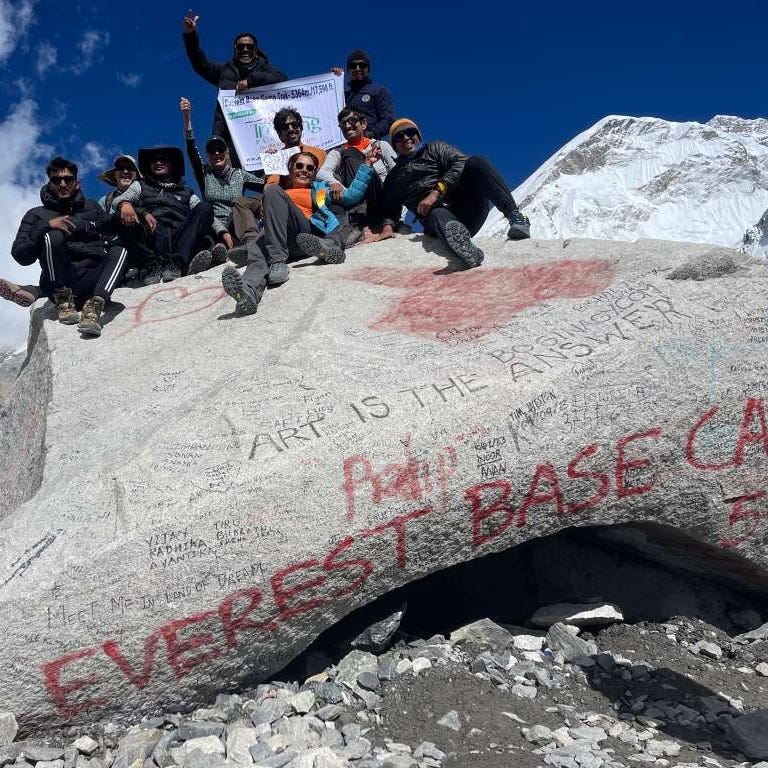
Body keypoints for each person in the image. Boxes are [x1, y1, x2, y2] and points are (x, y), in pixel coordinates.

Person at [220, 149, 380, 315]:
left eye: (310, 168)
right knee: (257, 251)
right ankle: (248, 293)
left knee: (271, 193)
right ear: (291, 170)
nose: (304, 170)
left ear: (314, 173)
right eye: (300, 166)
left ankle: (279, 261)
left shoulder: (318, 191)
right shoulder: (280, 191)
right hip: (278, 239)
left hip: (303, 234)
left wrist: (367, 165)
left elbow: (351, 196)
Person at [380, 118, 531, 268]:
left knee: (477, 161)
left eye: (410, 132)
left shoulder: (435, 148)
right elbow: (390, 210)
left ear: (418, 135)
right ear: (394, 145)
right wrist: (387, 226)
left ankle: (516, 217)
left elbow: (460, 162)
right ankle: (465, 248)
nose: (406, 138)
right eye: (399, 136)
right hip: (438, 221)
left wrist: (436, 192)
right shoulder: (394, 178)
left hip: (467, 209)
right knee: (437, 213)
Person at [9, 157, 130, 337]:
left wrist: (125, 205)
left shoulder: (92, 207)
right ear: (50, 183)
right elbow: (21, 256)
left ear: (78, 183)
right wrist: (45, 225)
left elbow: (109, 227)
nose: (63, 184)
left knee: (121, 249)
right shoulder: (36, 214)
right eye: (57, 180)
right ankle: (63, 300)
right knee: (53, 236)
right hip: (61, 280)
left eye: (68, 179)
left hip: (92, 281)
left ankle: (95, 306)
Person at [182, 12, 287, 165]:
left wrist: (251, 81)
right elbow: (201, 64)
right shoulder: (225, 72)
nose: (245, 49)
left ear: (256, 52)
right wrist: (190, 34)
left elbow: (282, 80)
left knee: (267, 183)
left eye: (249, 47)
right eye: (241, 47)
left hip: (265, 139)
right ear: (235, 50)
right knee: (232, 182)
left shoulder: (267, 71)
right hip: (231, 139)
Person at [180, 96, 263, 264]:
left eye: (220, 149)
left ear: (227, 153)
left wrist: (272, 158)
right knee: (204, 224)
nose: (216, 153)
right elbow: (191, 150)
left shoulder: (239, 174)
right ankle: (210, 255)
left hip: (236, 224)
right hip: (213, 225)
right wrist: (187, 117)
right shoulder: (205, 173)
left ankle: (248, 244)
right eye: (212, 150)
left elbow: (265, 185)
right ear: (208, 156)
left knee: (243, 202)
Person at [116, 146, 215, 285]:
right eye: (154, 160)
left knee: (205, 207)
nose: (158, 162)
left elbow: (204, 212)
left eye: (163, 159)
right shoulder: (140, 185)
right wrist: (126, 204)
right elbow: (120, 199)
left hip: (181, 239)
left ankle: (178, 264)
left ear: (172, 164)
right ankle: (152, 266)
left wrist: (223, 232)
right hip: (152, 236)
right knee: (120, 218)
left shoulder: (187, 192)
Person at [317, 107, 397, 245]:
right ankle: (334, 241)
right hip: (355, 204)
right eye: (343, 124)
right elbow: (322, 173)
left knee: (352, 154)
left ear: (364, 123)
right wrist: (335, 184)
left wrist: (396, 218)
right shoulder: (339, 152)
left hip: (382, 203)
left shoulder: (380, 146)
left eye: (352, 121)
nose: (347, 126)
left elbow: (399, 178)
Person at [264, 108, 327, 186]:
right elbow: (271, 188)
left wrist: (320, 197)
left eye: (294, 125)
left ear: (301, 127)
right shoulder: (276, 158)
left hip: (317, 196)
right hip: (287, 197)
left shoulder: (320, 153)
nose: (291, 129)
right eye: (285, 127)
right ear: (279, 134)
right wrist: (271, 163)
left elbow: (327, 183)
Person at [343, 50, 394, 140]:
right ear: (348, 70)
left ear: (368, 69)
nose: (358, 68)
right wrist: (333, 79)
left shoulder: (378, 91)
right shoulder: (342, 97)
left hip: (369, 144)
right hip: (345, 145)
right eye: (353, 66)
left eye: (362, 65)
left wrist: (370, 133)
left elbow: (388, 120)